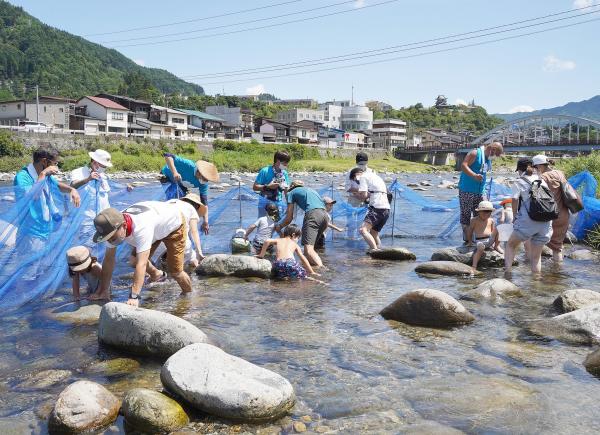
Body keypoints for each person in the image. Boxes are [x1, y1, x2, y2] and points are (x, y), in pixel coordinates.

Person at [91, 202, 191, 306]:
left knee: (176, 272)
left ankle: (189, 296)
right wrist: (104, 290)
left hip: (174, 224)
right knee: (134, 260)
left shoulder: (141, 228)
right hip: (156, 224)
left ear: (124, 226)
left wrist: (134, 296)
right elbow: (109, 259)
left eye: (113, 238)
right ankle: (157, 275)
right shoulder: (111, 226)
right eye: (108, 239)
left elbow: (142, 264)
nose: (111, 241)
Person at [13, 146, 81, 251]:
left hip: (45, 229)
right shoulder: (23, 177)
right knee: (31, 266)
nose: (56, 166)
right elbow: (32, 197)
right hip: (31, 234)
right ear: (44, 161)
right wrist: (43, 173)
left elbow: (57, 185)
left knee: (43, 266)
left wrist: (71, 189)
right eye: (55, 163)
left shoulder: (47, 177)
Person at [504, 158, 553, 275]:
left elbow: (515, 199)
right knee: (536, 258)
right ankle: (536, 282)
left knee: (510, 245)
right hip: (545, 221)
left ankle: (507, 274)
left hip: (528, 222)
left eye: (518, 171)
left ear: (521, 170)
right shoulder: (541, 179)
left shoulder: (519, 182)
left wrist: (515, 216)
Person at [69, 149, 132, 239]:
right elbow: (72, 186)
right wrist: (88, 179)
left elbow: (108, 197)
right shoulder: (79, 172)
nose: (105, 168)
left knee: (104, 248)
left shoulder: (103, 177)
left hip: (106, 221)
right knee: (87, 248)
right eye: (104, 166)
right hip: (87, 222)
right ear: (95, 163)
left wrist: (125, 191)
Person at [458, 142, 504, 241]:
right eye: (496, 155)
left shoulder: (487, 159)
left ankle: (480, 237)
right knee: (466, 215)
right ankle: (467, 240)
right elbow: (463, 165)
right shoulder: (475, 153)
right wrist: (474, 175)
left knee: (483, 213)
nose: (495, 157)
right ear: (493, 149)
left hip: (480, 191)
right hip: (467, 190)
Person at [161, 153, 218, 233]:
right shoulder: (188, 165)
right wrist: (174, 172)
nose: (205, 181)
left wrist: (205, 222)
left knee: (185, 205)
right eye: (204, 178)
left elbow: (204, 202)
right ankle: (168, 227)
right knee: (174, 203)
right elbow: (168, 155)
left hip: (181, 183)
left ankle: (182, 228)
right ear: (199, 172)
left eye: (207, 180)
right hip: (168, 177)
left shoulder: (203, 183)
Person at [277, 180, 328, 267]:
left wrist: (280, 226)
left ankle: (322, 269)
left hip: (313, 215)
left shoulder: (292, 192)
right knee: (311, 248)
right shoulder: (310, 190)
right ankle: (312, 268)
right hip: (325, 216)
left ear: (291, 187)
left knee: (308, 250)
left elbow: (289, 218)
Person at [533, 155, 569, 263]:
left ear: (539, 166)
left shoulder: (543, 177)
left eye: (535, 167)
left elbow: (535, 195)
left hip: (551, 215)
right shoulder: (560, 173)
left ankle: (535, 272)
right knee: (557, 247)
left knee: (535, 241)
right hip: (564, 214)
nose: (535, 170)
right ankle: (557, 273)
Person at [350, 167, 391, 251]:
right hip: (386, 208)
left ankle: (374, 250)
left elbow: (364, 196)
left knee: (363, 230)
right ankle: (380, 250)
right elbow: (377, 193)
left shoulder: (362, 177)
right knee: (374, 233)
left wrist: (356, 194)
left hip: (377, 208)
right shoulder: (375, 177)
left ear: (357, 175)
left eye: (355, 180)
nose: (357, 182)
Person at [164, 193, 208, 268]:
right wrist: (199, 252)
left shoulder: (171, 202)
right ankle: (194, 278)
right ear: (196, 206)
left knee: (157, 259)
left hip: (158, 229)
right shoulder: (191, 209)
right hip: (176, 231)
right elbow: (194, 232)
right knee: (193, 260)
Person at [466, 201, 502, 271]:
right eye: (484, 211)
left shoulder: (491, 220)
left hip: (489, 240)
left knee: (499, 228)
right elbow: (469, 231)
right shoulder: (474, 220)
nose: (486, 214)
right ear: (479, 212)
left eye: (488, 212)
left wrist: (494, 241)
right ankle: (474, 266)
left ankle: (497, 246)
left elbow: (492, 231)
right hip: (480, 241)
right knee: (480, 249)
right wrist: (469, 241)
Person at [253, 150, 290, 217]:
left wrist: (289, 205)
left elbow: (286, 191)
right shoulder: (265, 171)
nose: (286, 165)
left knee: (277, 224)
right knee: (263, 223)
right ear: (278, 161)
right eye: (285, 163)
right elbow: (255, 187)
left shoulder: (284, 173)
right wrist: (267, 186)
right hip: (264, 202)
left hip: (278, 203)